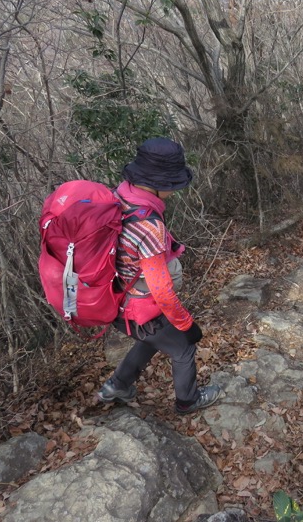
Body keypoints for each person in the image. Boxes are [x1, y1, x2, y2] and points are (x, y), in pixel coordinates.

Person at [97, 137, 222, 415]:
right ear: (160, 183)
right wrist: (187, 325)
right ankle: (188, 400)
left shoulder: (118, 196)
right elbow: (162, 290)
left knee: (151, 340)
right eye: (173, 184)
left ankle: (116, 386)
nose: (175, 191)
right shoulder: (148, 226)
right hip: (140, 306)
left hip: (113, 297)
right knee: (182, 348)